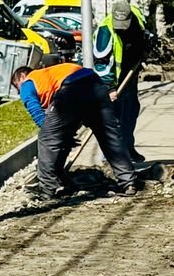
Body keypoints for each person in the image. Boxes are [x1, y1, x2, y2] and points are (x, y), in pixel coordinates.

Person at [11, 61, 139, 201]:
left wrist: (52, 133)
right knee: (109, 136)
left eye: (17, 86)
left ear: (22, 76)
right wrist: (62, 135)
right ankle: (128, 182)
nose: (19, 92)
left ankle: (47, 190)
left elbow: (35, 111)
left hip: (71, 90)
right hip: (96, 84)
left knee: (46, 139)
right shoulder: (51, 74)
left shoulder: (28, 82)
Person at [100, 0, 150, 163]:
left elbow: (145, 37)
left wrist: (145, 50)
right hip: (113, 79)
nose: (121, 28)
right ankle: (111, 155)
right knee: (113, 117)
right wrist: (109, 88)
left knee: (131, 111)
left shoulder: (137, 19)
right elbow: (101, 63)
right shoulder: (105, 31)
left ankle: (128, 148)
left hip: (131, 74)